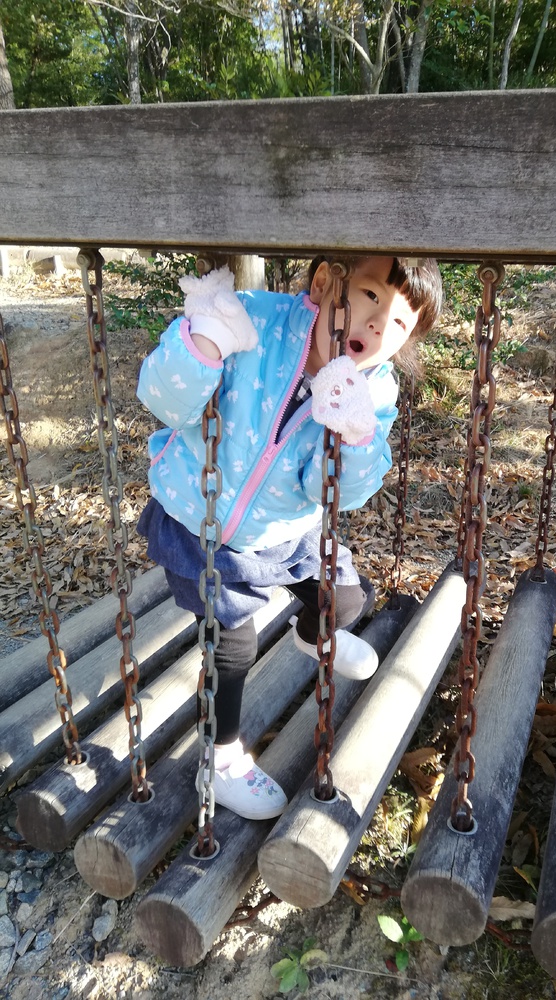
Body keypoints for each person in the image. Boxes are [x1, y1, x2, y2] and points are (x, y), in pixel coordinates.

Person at [136, 255, 443, 820]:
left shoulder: (375, 390)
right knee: (234, 642)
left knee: (345, 601)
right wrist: (203, 344)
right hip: (198, 518)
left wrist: (353, 435)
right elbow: (163, 401)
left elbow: (330, 492)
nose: (379, 325)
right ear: (324, 282)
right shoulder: (252, 322)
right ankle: (222, 760)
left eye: (401, 322)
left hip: (284, 528)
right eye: (372, 296)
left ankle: (312, 635)